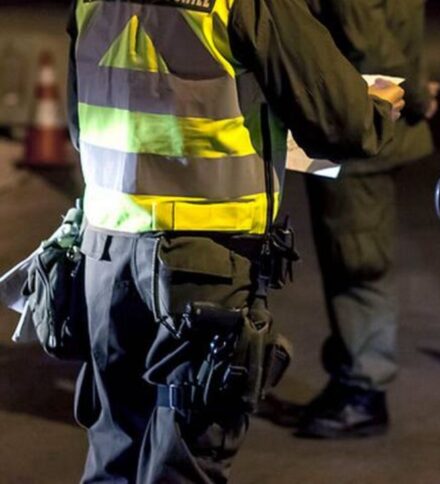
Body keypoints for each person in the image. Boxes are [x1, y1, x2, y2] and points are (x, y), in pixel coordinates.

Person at [65, 0, 404, 481]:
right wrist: (378, 108)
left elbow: (79, 126)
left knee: (114, 450)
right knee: (184, 462)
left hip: (105, 254)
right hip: (204, 265)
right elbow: (342, 123)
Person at [296, 0, 438, 439]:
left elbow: (371, 47)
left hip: (354, 126)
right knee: (346, 252)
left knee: (355, 255)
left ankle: (363, 389)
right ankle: (351, 376)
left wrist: (413, 97)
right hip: (351, 124)